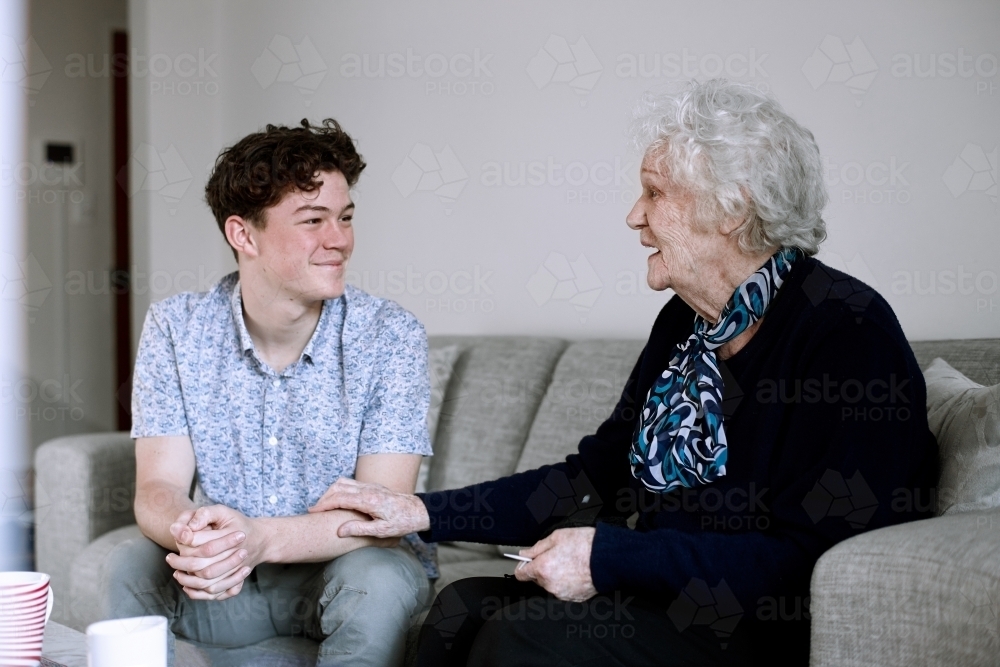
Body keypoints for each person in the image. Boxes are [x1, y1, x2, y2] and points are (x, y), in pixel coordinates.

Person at [309, 80, 939, 666]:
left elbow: (813, 557)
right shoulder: (685, 324)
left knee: (520, 635)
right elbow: (591, 480)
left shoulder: (845, 329)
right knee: (459, 610)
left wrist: (609, 556)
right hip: (667, 594)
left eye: (655, 192)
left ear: (733, 210)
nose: (634, 216)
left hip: (759, 620)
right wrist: (417, 510)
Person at [104, 119, 434, 667]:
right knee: (128, 564)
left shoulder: (390, 335)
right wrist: (197, 535)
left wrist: (258, 537)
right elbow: (158, 487)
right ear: (243, 235)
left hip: (340, 577)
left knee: (381, 576)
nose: (340, 240)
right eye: (313, 220)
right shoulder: (176, 328)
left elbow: (383, 511)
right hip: (228, 588)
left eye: (345, 218)